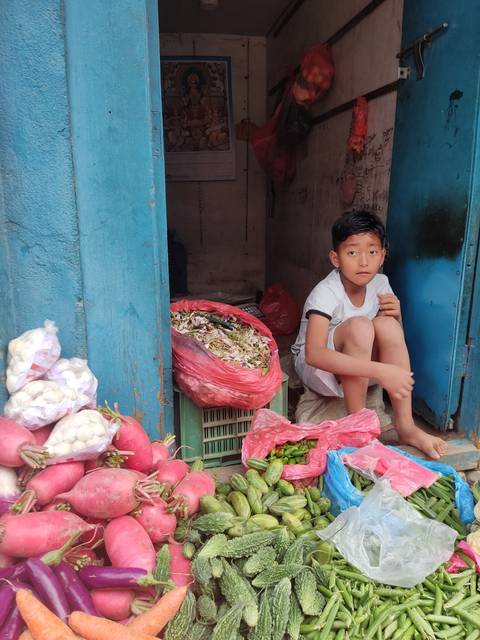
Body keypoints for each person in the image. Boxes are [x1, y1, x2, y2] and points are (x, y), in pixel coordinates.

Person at [291, 210, 447, 459]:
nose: (363, 262)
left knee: (386, 325)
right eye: (352, 252)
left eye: (372, 252)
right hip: (319, 369)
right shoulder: (325, 292)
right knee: (360, 326)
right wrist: (381, 371)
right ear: (335, 258)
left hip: (358, 363)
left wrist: (397, 317)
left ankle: (406, 427)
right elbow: (314, 355)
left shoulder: (381, 284)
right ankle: (359, 429)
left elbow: (395, 340)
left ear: (383, 255)